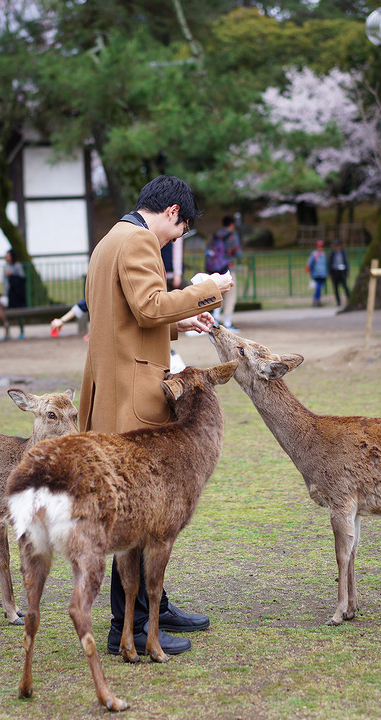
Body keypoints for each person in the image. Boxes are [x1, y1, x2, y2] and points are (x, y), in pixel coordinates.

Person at [79, 175, 233, 657]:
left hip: (110, 391)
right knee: (140, 511)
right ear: (172, 214)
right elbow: (147, 307)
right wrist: (208, 290)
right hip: (133, 400)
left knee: (136, 509)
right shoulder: (140, 239)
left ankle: (155, 606)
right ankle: (133, 624)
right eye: (180, 231)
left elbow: (127, 318)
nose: (175, 240)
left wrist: (179, 320)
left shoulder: (111, 239)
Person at [205, 216, 242, 329]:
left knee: (218, 293)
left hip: (215, 270)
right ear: (232, 225)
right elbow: (238, 253)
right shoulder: (232, 237)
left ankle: (215, 318)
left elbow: (209, 251)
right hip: (228, 269)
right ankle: (227, 322)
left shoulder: (215, 236)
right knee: (231, 295)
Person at [327, 239, 350, 307]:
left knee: (345, 286)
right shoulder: (332, 253)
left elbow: (346, 262)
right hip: (335, 272)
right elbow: (329, 263)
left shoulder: (342, 252)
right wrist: (330, 273)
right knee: (336, 288)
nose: (336, 247)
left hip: (342, 272)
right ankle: (338, 302)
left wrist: (347, 270)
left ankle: (349, 299)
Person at [307, 240, 328, 307]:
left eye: (321, 246)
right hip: (316, 274)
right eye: (319, 246)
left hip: (323, 274)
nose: (320, 247)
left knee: (319, 288)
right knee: (318, 288)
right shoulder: (314, 254)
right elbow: (309, 264)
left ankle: (317, 300)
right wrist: (310, 272)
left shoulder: (323, 254)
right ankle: (316, 301)